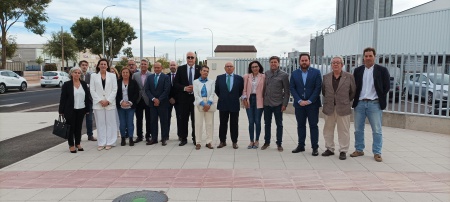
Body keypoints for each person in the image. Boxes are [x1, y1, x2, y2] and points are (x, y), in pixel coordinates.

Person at [351, 47, 390, 162]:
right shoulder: (357, 71)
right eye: (366, 56)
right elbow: (354, 87)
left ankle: (377, 152)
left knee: (377, 130)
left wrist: (379, 96)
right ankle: (359, 149)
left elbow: (386, 86)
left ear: (374, 57)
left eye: (370, 56)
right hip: (360, 104)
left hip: (375, 104)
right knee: (358, 129)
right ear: (363, 57)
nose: (368, 58)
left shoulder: (382, 70)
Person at [321, 56, 356, 160]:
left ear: (342, 65)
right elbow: (324, 91)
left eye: (338, 63)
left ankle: (343, 150)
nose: (335, 64)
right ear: (331, 65)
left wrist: (344, 101)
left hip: (343, 107)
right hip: (329, 107)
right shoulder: (326, 77)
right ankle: (329, 148)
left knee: (344, 130)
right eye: (333, 63)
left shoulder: (349, 77)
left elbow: (352, 92)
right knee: (328, 129)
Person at [290, 53, 323, 156]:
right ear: (299, 62)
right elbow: (292, 88)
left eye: (306, 60)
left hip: (312, 105)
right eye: (302, 60)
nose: (304, 62)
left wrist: (309, 100)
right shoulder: (294, 73)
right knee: (300, 125)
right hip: (299, 104)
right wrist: (299, 100)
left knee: (313, 125)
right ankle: (301, 145)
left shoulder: (316, 72)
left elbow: (318, 88)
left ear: (309, 61)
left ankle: (315, 147)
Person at [59, 67, 92, 153]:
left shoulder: (84, 84)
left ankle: (78, 143)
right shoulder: (67, 85)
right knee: (71, 128)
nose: (77, 74)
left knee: (79, 127)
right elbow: (63, 99)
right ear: (71, 74)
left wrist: (87, 109)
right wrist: (61, 111)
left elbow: (87, 98)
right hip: (70, 110)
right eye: (75, 72)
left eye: (78, 73)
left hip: (81, 109)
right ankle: (71, 145)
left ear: (80, 74)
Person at [261, 56, 290, 152]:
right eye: (271, 62)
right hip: (267, 103)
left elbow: (286, 91)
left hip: (278, 104)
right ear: (269, 63)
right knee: (267, 124)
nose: (273, 64)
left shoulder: (284, 75)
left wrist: (284, 104)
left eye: (275, 62)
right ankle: (267, 142)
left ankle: (279, 143)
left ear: (278, 63)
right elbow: (264, 88)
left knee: (279, 124)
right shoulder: (266, 73)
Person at [173, 52, 201, 146]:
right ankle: (183, 138)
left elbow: (203, 83)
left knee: (195, 119)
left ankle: (195, 138)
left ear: (195, 59)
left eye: (192, 57)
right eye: (188, 57)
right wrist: (184, 88)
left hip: (195, 99)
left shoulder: (199, 69)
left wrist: (195, 88)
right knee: (183, 120)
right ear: (186, 58)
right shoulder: (181, 69)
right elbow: (176, 84)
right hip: (183, 99)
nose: (190, 59)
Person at [90, 59, 118, 151]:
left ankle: (110, 142)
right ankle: (101, 142)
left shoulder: (112, 76)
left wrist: (108, 100)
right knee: (100, 123)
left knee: (110, 123)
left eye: (104, 64)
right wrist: (100, 101)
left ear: (107, 66)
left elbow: (114, 89)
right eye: (101, 64)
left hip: (110, 103)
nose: (103, 65)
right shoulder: (93, 76)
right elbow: (92, 90)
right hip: (99, 104)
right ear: (98, 66)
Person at [215, 62, 244, 149]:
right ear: (224, 68)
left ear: (233, 68)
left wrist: (233, 97)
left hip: (234, 104)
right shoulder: (219, 78)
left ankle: (234, 142)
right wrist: (223, 97)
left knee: (234, 124)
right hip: (223, 103)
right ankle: (222, 141)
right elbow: (217, 90)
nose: (229, 68)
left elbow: (240, 91)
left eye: (230, 66)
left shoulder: (239, 78)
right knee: (223, 123)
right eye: (227, 66)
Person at [145, 62, 171, 146]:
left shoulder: (166, 77)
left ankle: (164, 138)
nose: (156, 69)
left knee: (164, 121)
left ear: (161, 68)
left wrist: (159, 100)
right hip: (152, 104)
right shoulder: (149, 77)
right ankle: (154, 138)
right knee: (153, 121)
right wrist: (153, 99)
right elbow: (147, 90)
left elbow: (166, 90)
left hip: (163, 103)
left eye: (158, 67)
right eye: (155, 67)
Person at [242, 61, 265, 149]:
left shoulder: (263, 76)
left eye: (256, 66)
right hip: (249, 99)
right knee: (251, 121)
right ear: (250, 68)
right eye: (252, 67)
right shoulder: (246, 76)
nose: (254, 68)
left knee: (257, 121)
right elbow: (244, 89)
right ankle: (251, 141)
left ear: (259, 67)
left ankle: (257, 140)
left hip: (259, 100)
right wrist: (244, 98)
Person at [193, 66, 216, 150]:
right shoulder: (195, 82)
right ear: (200, 71)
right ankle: (198, 142)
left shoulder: (211, 82)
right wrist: (203, 104)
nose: (206, 72)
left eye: (207, 71)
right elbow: (196, 94)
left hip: (209, 102)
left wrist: (208, 103)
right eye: (204, 71)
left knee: (209, 123)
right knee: (198, 124)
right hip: (199, 103)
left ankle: (209, 142)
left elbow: (213, 93)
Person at [116, 67, 139, 146]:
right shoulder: (117, 82)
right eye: (123, 73)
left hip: (130, 106)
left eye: (127, 72)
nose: (125, 74)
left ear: (129, 74)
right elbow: (115, 94)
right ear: (121, 74)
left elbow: (136, 94)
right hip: (121, 106)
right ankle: (123, 138)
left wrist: (130, 102)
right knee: (122, 123)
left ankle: (130, 138)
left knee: (130, 123)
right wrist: (121, 102)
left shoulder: (133, 82)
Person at [132, 59, 152, 143]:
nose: (143, 65)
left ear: (148, 65)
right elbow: (132, 87)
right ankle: (139, 136)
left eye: (145, 64)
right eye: (142, 64)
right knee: (138, 119)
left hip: (148, 99)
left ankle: (148, 135)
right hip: (138, 99)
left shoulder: (151, 75)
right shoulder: (135, 75)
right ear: (140, 65)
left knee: (149, 119)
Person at [79, 60, 97, 141]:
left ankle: (90, 135)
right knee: (79, 119)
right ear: (80, 66)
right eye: (83, 65)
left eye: (86, 65)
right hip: (79, 101)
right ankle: (77, 135)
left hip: (89, 101)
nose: (84, 66)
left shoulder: (91, 76)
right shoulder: (76, 75)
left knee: (89, 119)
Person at [167, 61, 181, 140]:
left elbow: (180, 89)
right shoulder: (166, 76)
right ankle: (166, 135)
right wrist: (170, 98)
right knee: (167, 118)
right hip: (168, 100)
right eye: (171, 65)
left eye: (174, 65)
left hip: (178, 100)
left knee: (179, 118)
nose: (172, 66)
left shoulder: (180, 76)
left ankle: (180, 135)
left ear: (177, 66)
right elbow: (165, 89)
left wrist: (175, 98)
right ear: (169, 66)